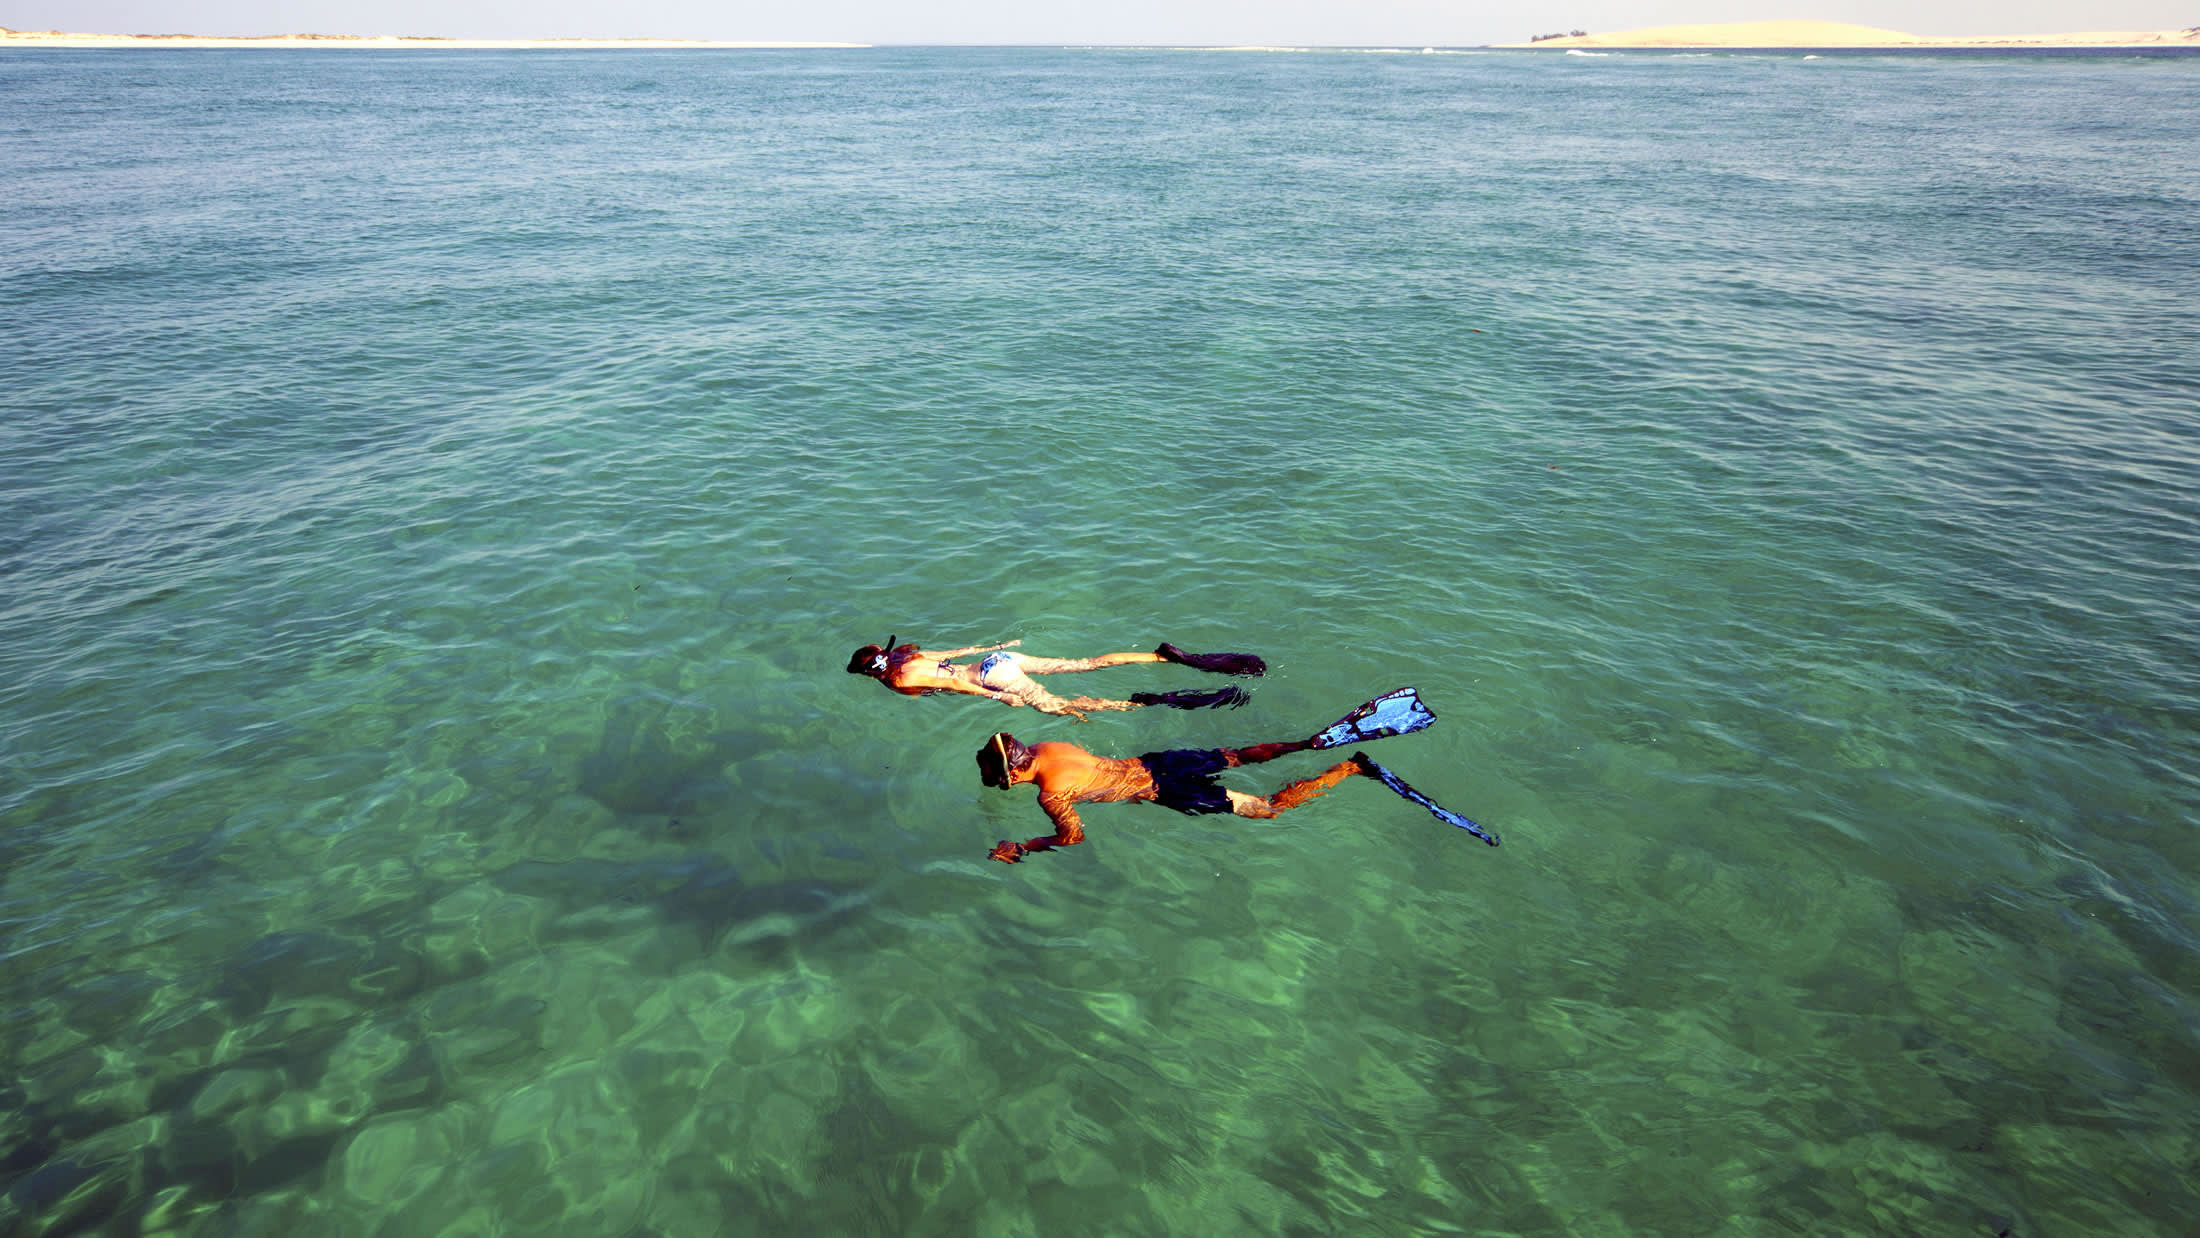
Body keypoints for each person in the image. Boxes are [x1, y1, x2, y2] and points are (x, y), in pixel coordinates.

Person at [974, 730, 1377, 864]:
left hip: (1165, 789)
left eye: (1001, 779)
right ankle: (1309, 743)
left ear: (1014, 773)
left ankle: (1348, 768)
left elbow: (1073, 837)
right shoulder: (1048, 746)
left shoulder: (1051, 795)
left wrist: (1024, 846)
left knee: (1267, 809)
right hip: (1156, 761)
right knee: (1237, 755)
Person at [845, 636, 1265, 720]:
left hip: (992, 679)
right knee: (1084, 663)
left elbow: (956, 683)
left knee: (1061, 708)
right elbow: (955, 654)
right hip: (997, 658)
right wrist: (999, 644)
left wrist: (998, 698)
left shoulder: (898, 682)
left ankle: (1143, 703)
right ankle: (1159, 656)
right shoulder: (908, 654)